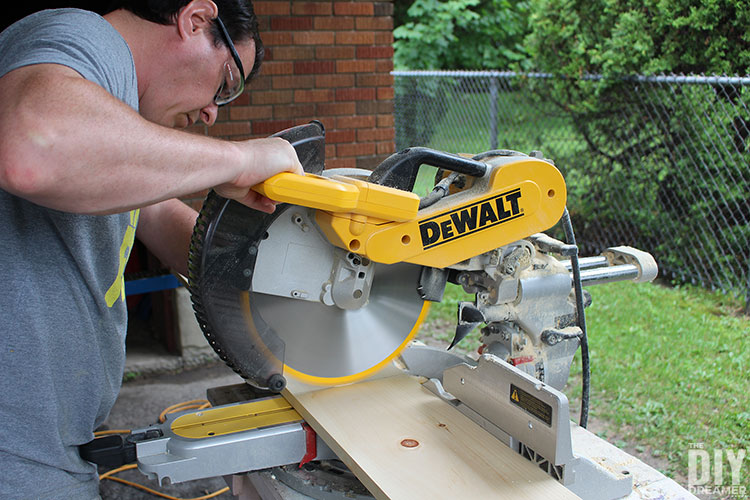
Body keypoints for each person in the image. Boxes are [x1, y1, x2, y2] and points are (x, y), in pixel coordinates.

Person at [0, 1, 304, 498]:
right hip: (16, 456)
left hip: (45, 445)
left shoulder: (112, 108)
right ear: (196, 19)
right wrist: (238, 159)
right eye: (226, 83)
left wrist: (276, 278)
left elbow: (159, 214)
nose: (211, 111)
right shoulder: (83, 38)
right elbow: (34, 150)